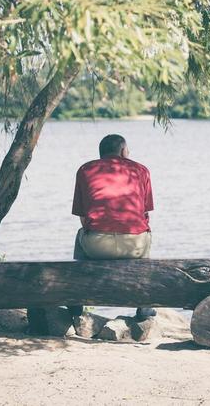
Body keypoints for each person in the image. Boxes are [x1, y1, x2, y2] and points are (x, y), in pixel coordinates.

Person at [71, 134, 155, 320]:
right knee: (146, 232)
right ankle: (144, 302)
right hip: (134, 246)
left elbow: (83, 217)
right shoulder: (141, 170)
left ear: (101, 153)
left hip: (97, 246)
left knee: (80, 234)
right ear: (123, 151)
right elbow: (145, 213)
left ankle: (77, 297)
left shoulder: (85, 170)